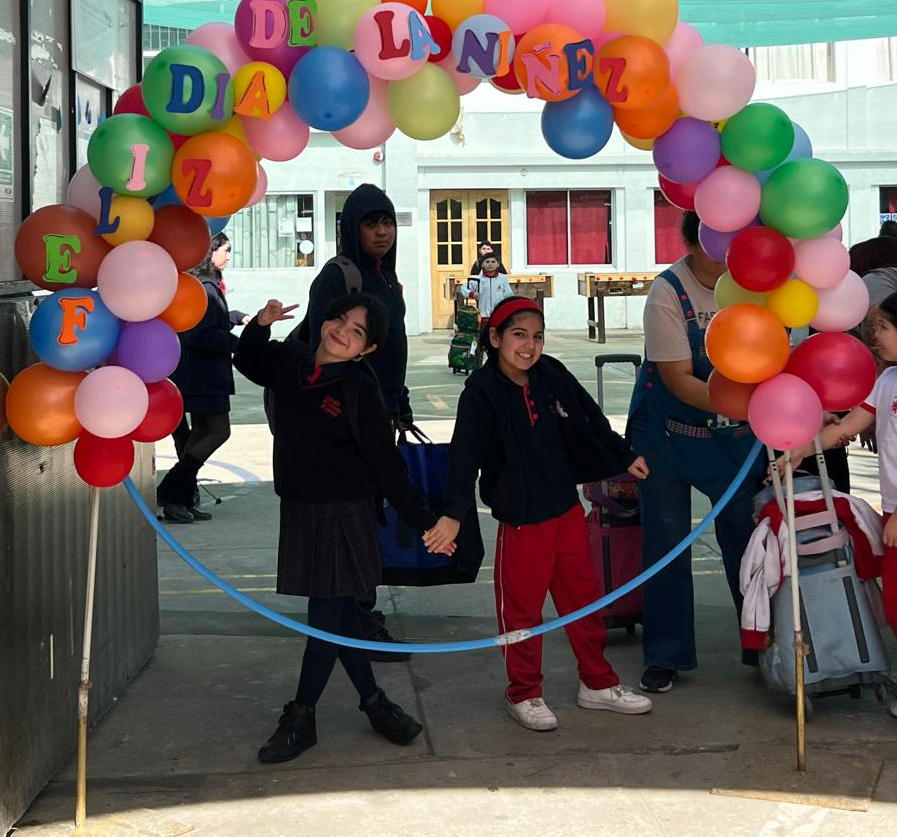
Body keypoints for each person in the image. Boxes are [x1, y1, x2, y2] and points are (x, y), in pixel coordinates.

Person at [233, 293, 454, 763]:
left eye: (357, 332)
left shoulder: (357, 387)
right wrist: (261, 324)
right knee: (342, 617)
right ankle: (376, 704)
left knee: (325, 620)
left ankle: (302, 717)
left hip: (344, 513)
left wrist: (424, 521)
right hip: (300, 509)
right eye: (339, 320)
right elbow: (248, 361)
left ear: (366, 349)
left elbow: (385, 463)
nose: (342, 332)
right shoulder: (292, 360)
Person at [426, 296, 653, 730]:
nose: (529, 346)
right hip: (522, 521)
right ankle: (524, 692)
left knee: (584, 600)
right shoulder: (481, 392)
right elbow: (464, 457)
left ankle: (598, 683)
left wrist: (623, 455)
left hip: (565, 510)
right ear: (495, 338)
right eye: (519, 335)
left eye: (537, 336)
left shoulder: (551, 373)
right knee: (522, 612)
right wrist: (454, 513)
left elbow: (589, 418)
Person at [628, 210, 764, 695]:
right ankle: (666, 654)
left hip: (737, 440)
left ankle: (762, 646)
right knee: (666, 544)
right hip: (669, 435)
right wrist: (750, 404)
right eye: (714, 244)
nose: (726, 254)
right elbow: (679, 379)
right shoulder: (667, 292)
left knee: (748, 545)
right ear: (688, 242)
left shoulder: (754, 285)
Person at [779, 290, 897, 719]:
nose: (875, 337)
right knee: (893, 602)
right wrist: (801, 450)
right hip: (892, 511)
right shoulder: (886, 381)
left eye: (884, 327)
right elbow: (847, 426)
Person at [306, 183, 412, 654]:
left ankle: (357, 611)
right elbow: (322, 351)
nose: (382, 232)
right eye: (371, 223)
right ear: (352, 228)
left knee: (370, 514)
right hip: (346, 421)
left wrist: (397, 400)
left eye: (387, 222)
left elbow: (392, 347)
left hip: (378, 412)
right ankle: (354, 618)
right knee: (356, 517)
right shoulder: (338, 277)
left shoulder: (386, 275)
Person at [157, 232, 249, 523]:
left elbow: (211, 321)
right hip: (205, 374)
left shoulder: (204, 285)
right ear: (211, 253)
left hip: (199, 374)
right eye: (226, 250)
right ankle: (171, 491)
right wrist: (241, 345)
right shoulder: (206, 288)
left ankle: (181, 498)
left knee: (199, 435)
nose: (229, 256)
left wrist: (234, 316)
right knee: (219, 431)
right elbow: (202, 335)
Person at [460, 249, 513, 330]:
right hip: (483, 316)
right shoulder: (478, 279)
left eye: (493, 262)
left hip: (498, 316)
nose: (490, 264)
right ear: (482, 264)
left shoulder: (502, 278)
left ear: (498, 264)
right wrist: (472, 294)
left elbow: (509, 295)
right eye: (487, 262)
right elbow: (463, 288)